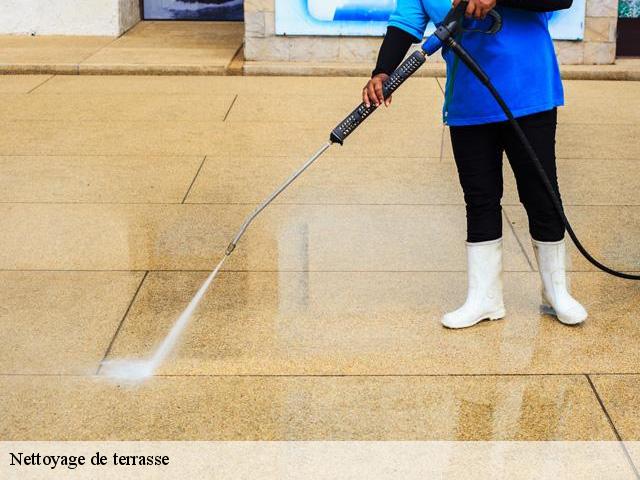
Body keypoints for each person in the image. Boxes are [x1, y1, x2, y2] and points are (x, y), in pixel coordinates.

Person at [363, 0, 588, 328]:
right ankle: (485, 298)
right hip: (468, 100)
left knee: (540, 193)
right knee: (480, 198)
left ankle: (556, 292)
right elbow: (404, 24)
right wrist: (382, 71)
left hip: (529, 90)